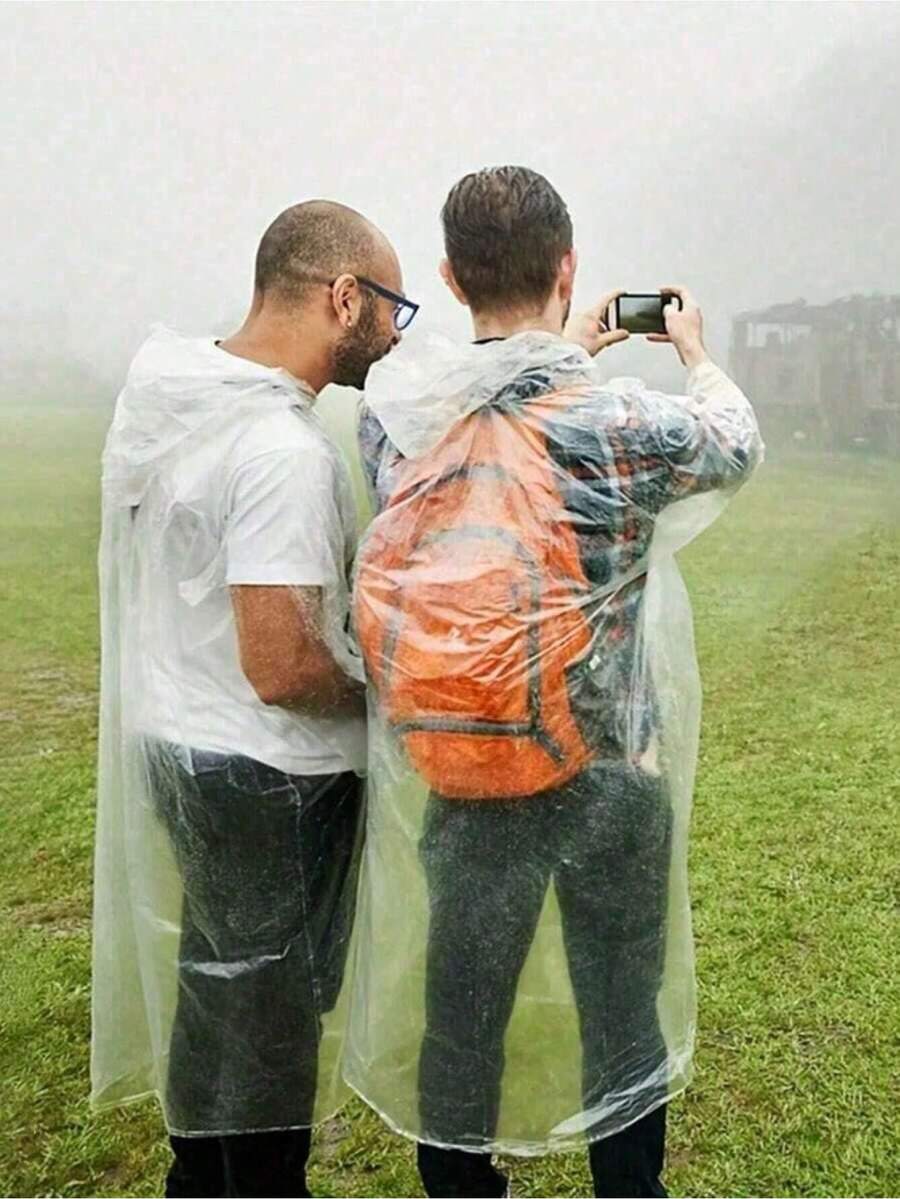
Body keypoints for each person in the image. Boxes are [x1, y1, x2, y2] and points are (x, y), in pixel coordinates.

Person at [347, 166, 763, 1198]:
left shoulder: (399, 422)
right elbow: (734, 442)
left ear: (451, 278)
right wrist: (695, 352)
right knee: (622, 1009)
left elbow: (489, 425)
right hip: (612, 769)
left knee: (462, 1011)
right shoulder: (622, 422)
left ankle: (460, 1186)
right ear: (567, 267)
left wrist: (554, 351)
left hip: (468, 763)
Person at [91, 200, 416, 1198]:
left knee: (217, 981)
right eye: (391, 307)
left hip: (176, 738)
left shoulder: (182, 396)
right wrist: (381, 693)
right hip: (267, 774)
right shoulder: (281, 449)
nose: (396, 334)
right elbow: (281, 664)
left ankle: (197, 1173)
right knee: (273, 1012)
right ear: (343, 297)